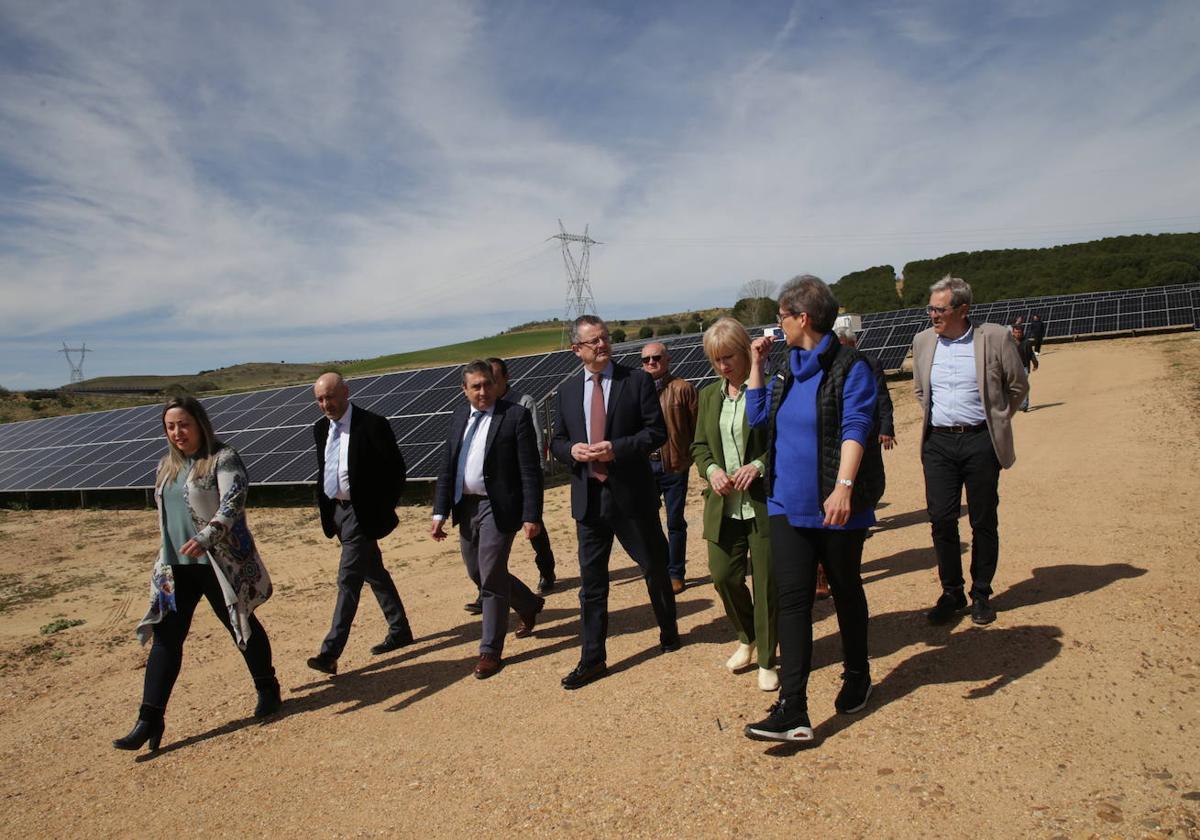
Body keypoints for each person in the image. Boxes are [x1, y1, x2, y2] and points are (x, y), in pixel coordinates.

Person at [741, 275, 885, 743]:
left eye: (782, 315)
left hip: (834, 505)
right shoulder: (788, 367)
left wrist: (843, 487)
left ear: (802, 317)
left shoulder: (850, 366)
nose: (777, 324)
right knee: (794, 601)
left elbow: (857, 425)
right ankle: (793, 708)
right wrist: (756, 366)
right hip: (787, 504)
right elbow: (759, 418)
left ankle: (857, 675)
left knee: (845, 589)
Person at [114, 396, 277, 752]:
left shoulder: (222, 458)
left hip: (217, 562)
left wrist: (207, 536)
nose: (177, 433)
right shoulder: (167, 466)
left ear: (200, 424)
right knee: (167, 640)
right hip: (176, 567)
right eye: (170, 427)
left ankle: (267, 687)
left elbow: (233, 500)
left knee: (241, 625)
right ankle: (149, 718)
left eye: (183, 424)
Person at [550, 315, 680, 690]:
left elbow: (656, 432)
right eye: (593, 341)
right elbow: (557, 440)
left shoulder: (635, 380)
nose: (602, 345)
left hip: (631, 495)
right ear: (577, 350)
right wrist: (572, 451)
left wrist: (615, 449)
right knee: (592, 585)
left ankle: (668, 630)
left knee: (654, 567)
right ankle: (593, 659)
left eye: (605, 338)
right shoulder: (568, 392)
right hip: (589, 499)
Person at [912, 276, 1028, 628]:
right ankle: (952, 592)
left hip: (980, 441)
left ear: (962, 309)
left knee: (982, 518)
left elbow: (1018, 386)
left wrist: (997, 419)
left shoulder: (993, 338)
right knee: (942, 519)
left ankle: (981, 593)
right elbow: (920, 391)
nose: (933, 314)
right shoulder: (922, 342)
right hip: (939, 443)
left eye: (940, 308)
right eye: (930, 308)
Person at [431, 361, 545, 679]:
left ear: (495, 384)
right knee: (477, 570)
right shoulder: (458, 417)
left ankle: (490, 651)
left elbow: (529, 470)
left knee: (491, 574)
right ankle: (528, 603)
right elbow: (447, 466)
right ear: (464, 389)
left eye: (487, 384)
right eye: (476, 386)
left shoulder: (514, 416)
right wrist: (439, 512)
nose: (483, 391)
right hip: (465, 507)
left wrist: (532, 515)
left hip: (498, 507)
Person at [690, 318, 778, 692]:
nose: (723, 366)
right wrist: (710, 470)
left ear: (745, 352)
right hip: (723, 505)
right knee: (723, 575)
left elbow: (785, 442)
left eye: (728, 357)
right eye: (716, 359)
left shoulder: (770, 390)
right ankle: (747, 636)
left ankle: (768, 658)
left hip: (762, 503)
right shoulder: (709, 396)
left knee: (767, 582)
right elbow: (699, 446)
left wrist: (758, 466)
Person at [307, 372, 413, 676]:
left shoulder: (372, 424)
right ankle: (400, 628)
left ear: (346, 392)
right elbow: (324, 468)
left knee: (348, 579)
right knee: (373, 571)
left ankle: (330, 652)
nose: (326, 404)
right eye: (320, 399)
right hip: (337, 513)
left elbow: (396, 471)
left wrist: (379, 509)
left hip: (361, 514)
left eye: (330, 396)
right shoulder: (319, 429)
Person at [458, 357, 555, 617]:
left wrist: (532, 483)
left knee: (534, 530)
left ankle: (546, 571)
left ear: (503, 379)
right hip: (487, 493)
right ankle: (522, 601)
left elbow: (535, 443)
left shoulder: (522, 405)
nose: (488, 387)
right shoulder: (471, 413)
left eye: (493, 381)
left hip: (517, 485)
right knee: (484, 565)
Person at [639, 342, 699, 593]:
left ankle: (676, 573)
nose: (651, 363)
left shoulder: (683, 389)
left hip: (674, 465)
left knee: (675, 522)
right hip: (644, 467)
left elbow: (696, 428)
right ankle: (658, 569)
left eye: (656, 358)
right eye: (646, 359)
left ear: (667, 359)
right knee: (647, 522)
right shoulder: (637, 391)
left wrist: (691, 457)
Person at [1011, 323, 1039, 411]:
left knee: (1023, 386)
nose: (1017, 334)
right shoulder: (1009, 342)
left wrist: (1035, 364)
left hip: (1024, 367)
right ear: (1013, 332)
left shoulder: (1027, 342)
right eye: (1016, 332)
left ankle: (1024, 405)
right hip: (1012, 368)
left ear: (1022, 333)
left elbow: (1031, 355)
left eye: (1019, 332)